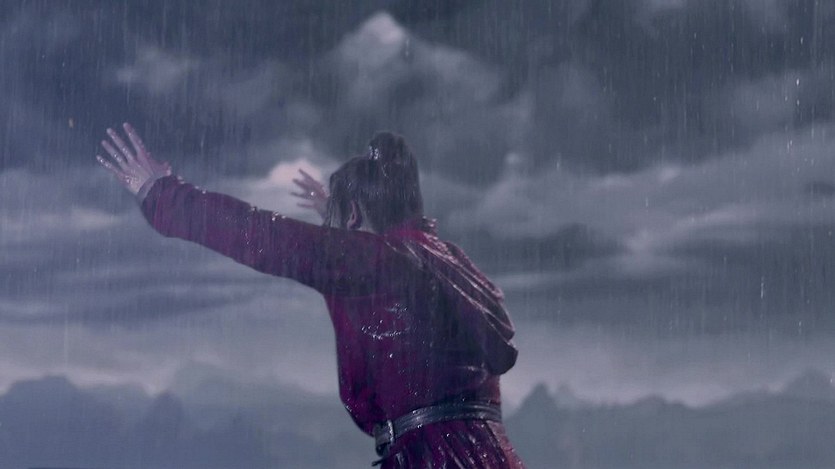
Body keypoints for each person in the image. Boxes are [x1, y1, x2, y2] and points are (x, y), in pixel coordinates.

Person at [97, 123, 526, 468]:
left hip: (432, 458)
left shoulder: (375, 263)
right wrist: (341, 211)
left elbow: (263, 236)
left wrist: (162, 194)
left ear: (353, 216)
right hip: (489, 453)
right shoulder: (449, 261)